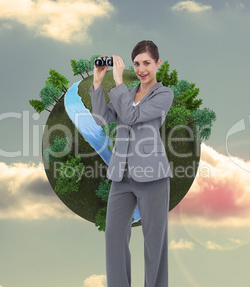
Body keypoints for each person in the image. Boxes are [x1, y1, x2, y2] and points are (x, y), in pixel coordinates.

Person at [89, 40, 174, 287]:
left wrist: (118, 83)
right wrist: (97, 82)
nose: (141, 68)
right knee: (114, 237)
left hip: (153, 175)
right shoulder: (126, 93)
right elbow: (102, 119)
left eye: (147, 63)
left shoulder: (164, 94)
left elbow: (131, 116)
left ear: (158, 63)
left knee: (154, 242)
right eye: (136, 63)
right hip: (121, 175)